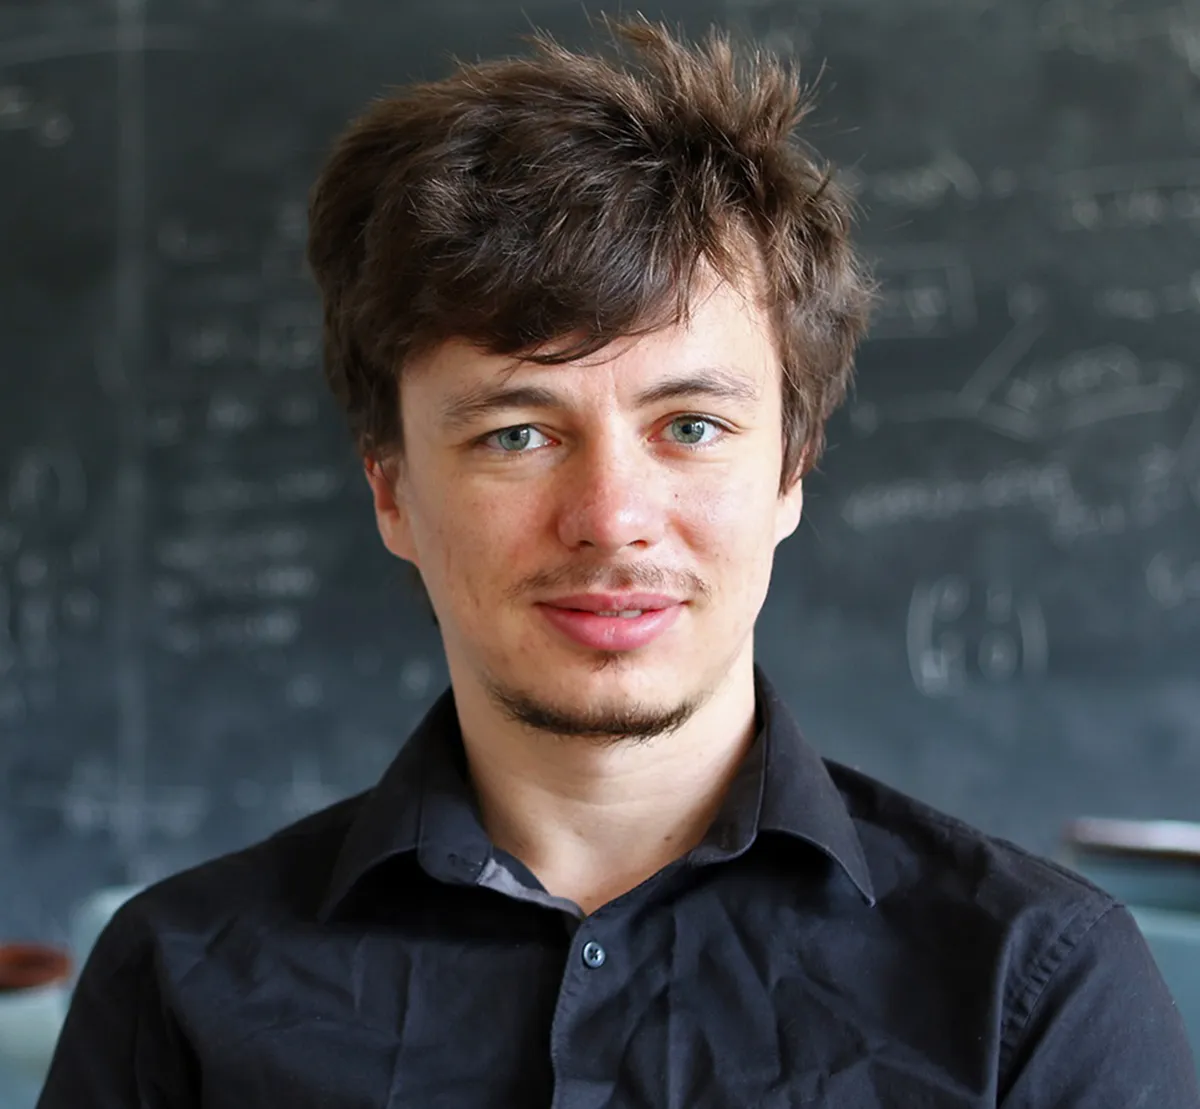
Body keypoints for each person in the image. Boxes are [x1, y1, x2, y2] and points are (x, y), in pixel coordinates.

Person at [39, 16, 1199, 1108]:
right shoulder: (174, 985)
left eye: (690, 424)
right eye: (518, 433)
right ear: (391, 487)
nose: (610, 517)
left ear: (789, 469)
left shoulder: (1034, 989)